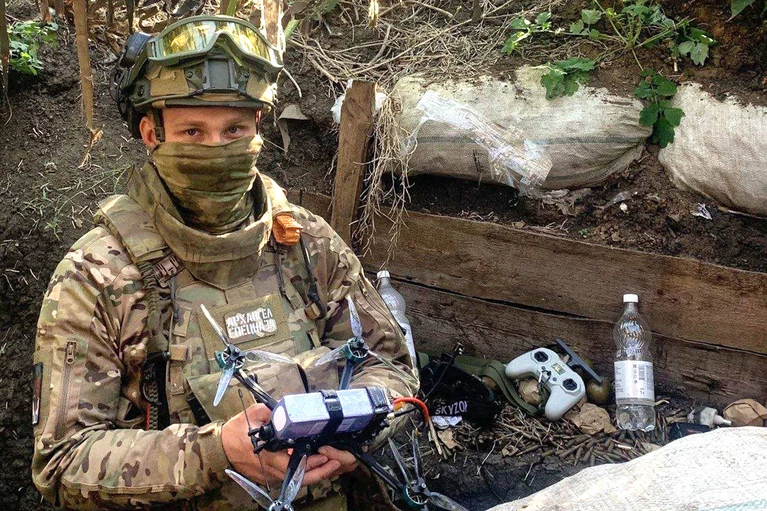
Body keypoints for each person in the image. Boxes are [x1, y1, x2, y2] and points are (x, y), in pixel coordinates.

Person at [31, 15, 416, 511]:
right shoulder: (97, 274)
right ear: (151, 133)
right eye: (193, 131)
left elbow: (392, 368)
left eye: (234, 129)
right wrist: (216, 453)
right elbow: (62, 463)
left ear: (257, 127)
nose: (217, 149)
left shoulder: (306, 242)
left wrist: (357, 431)